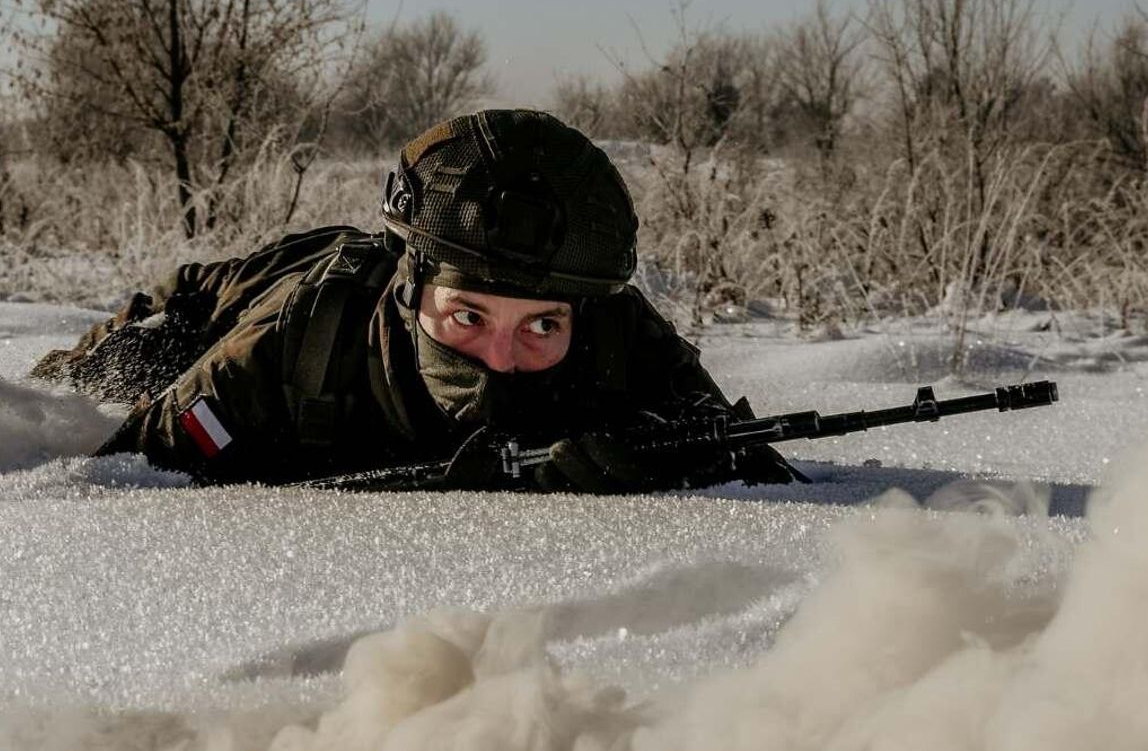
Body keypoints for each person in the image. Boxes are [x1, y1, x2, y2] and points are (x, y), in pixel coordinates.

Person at [30, 109, 797, 492]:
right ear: (412, 290)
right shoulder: (290, 349)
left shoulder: (618, 331)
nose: (503, 358)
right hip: (213, 308)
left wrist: (656, 465)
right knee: (97, 375)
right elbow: (119, 477)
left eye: (541, 327)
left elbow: (753, 460)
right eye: (468, 316)